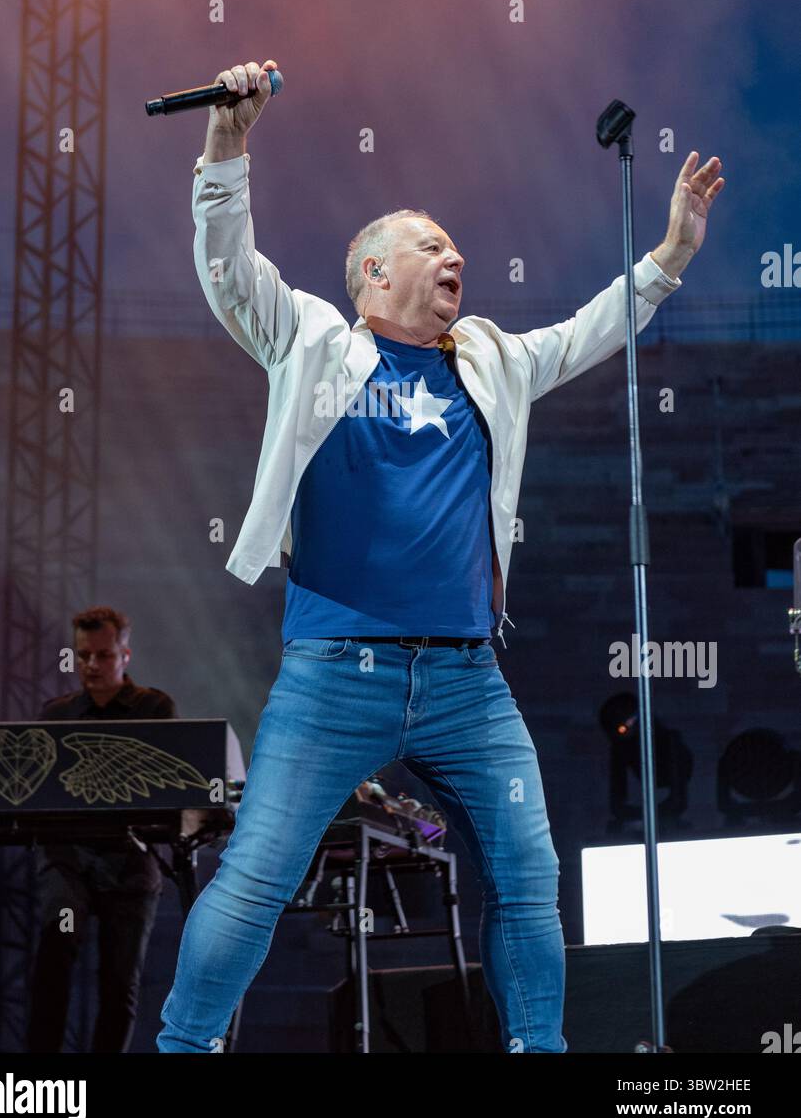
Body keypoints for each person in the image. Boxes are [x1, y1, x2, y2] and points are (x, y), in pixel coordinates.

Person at [157, 59, 725, 1053]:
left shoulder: (492, 359)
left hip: (468, 679)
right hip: (337, 673)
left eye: (455, 244)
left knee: (525, 870)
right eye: (429, 244)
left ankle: (537, 1050)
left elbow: (592, 331)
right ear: (373, 271)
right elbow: (227, 268)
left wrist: (669, 254)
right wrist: (226, 145)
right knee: (256, 875)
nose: (453, 253)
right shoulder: (312, 340)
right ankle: (182, 1047)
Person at [27, 605, 177, 1053]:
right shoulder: (55, 714)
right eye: (82, 656)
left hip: (131, 859)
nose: (90, 666)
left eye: (102, 656)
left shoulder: (155, 707)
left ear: (124, 656)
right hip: (68, 857)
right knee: (56, 953)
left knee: (119, 981)